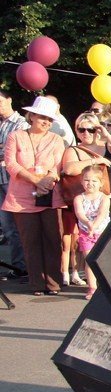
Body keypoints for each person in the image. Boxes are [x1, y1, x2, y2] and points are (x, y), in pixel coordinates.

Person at [2, 96, 66, 295]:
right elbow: (11, 164)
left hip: (49, 195)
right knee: (30, 241)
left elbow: (57, 167)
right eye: (42, 117)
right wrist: (35, 180)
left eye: (50, 119)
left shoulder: (57, 139)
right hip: (21, 197)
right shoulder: (16, 136)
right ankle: (37, 284)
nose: (46, 122)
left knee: (53, 239)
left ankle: (54, 283)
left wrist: (46, 181)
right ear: (31, 116)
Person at [61, 111, 111, 285]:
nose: (86, 133)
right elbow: (69, 169)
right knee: (91, 249)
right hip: (88, 207)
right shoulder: (74, 150)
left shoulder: (107, 145)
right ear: (76, 131)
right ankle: (94, 285)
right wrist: (93, 161)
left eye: (91, 129)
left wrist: (106, 135)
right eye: (82, 129)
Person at [0, 88, 29, 278]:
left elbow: (16, 152)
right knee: (7, 227)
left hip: (14, 181)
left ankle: (24, 267)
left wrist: (5, 150)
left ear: (9, 99)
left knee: (19, 225)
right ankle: (17, 265)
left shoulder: (21, 123)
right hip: (0, 179)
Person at [72, 165, 110, 300]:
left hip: (102, 232)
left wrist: (94, 225)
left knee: (103, 260)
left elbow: (102, 214)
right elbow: (80, 213)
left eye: (94, 181)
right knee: (90, 260)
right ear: (82, 182)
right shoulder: (79, 198)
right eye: (87, 180)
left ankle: (106, 286)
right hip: (86, 233)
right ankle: (92, 287)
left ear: (101, 183)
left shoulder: (104, 198)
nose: (90, 184)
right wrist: (88, 224)